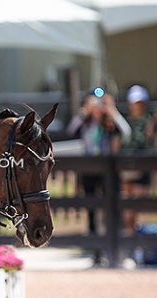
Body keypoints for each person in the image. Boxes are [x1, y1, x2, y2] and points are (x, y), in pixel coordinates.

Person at [66, 89, 131, 236]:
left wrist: (112, 111)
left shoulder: (109, 122)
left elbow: (126, 132)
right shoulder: (85, 122)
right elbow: (70, 131)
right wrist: (84, 111)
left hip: (107, 167)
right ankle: (93, 235)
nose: (97, 107)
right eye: (94, 102)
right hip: (89, 167)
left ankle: (114, 232)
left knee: (111, 201)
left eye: (100, 103)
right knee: (90, 202)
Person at [120, 85, 157, 233]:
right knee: (127, 203)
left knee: (138, 203)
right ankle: (129, 234)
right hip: (127, 164)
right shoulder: (125, 121)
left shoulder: (150, 120)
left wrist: (154, 120)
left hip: (143, 164)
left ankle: (136, 235)